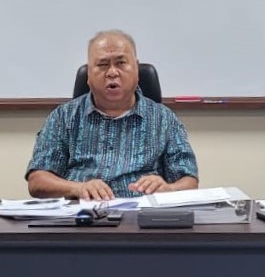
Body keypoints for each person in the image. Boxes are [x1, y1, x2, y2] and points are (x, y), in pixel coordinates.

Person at [26, 30, 199, 200]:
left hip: (142, 220)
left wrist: (168, 189)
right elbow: (37, 181)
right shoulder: (63, 117)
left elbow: (189, 181)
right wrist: (79, 188)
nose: (112, 73)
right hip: (81, 220)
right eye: (102, 65)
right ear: (88, 74)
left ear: (136, 69)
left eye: (121, 63)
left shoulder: (164, 119)